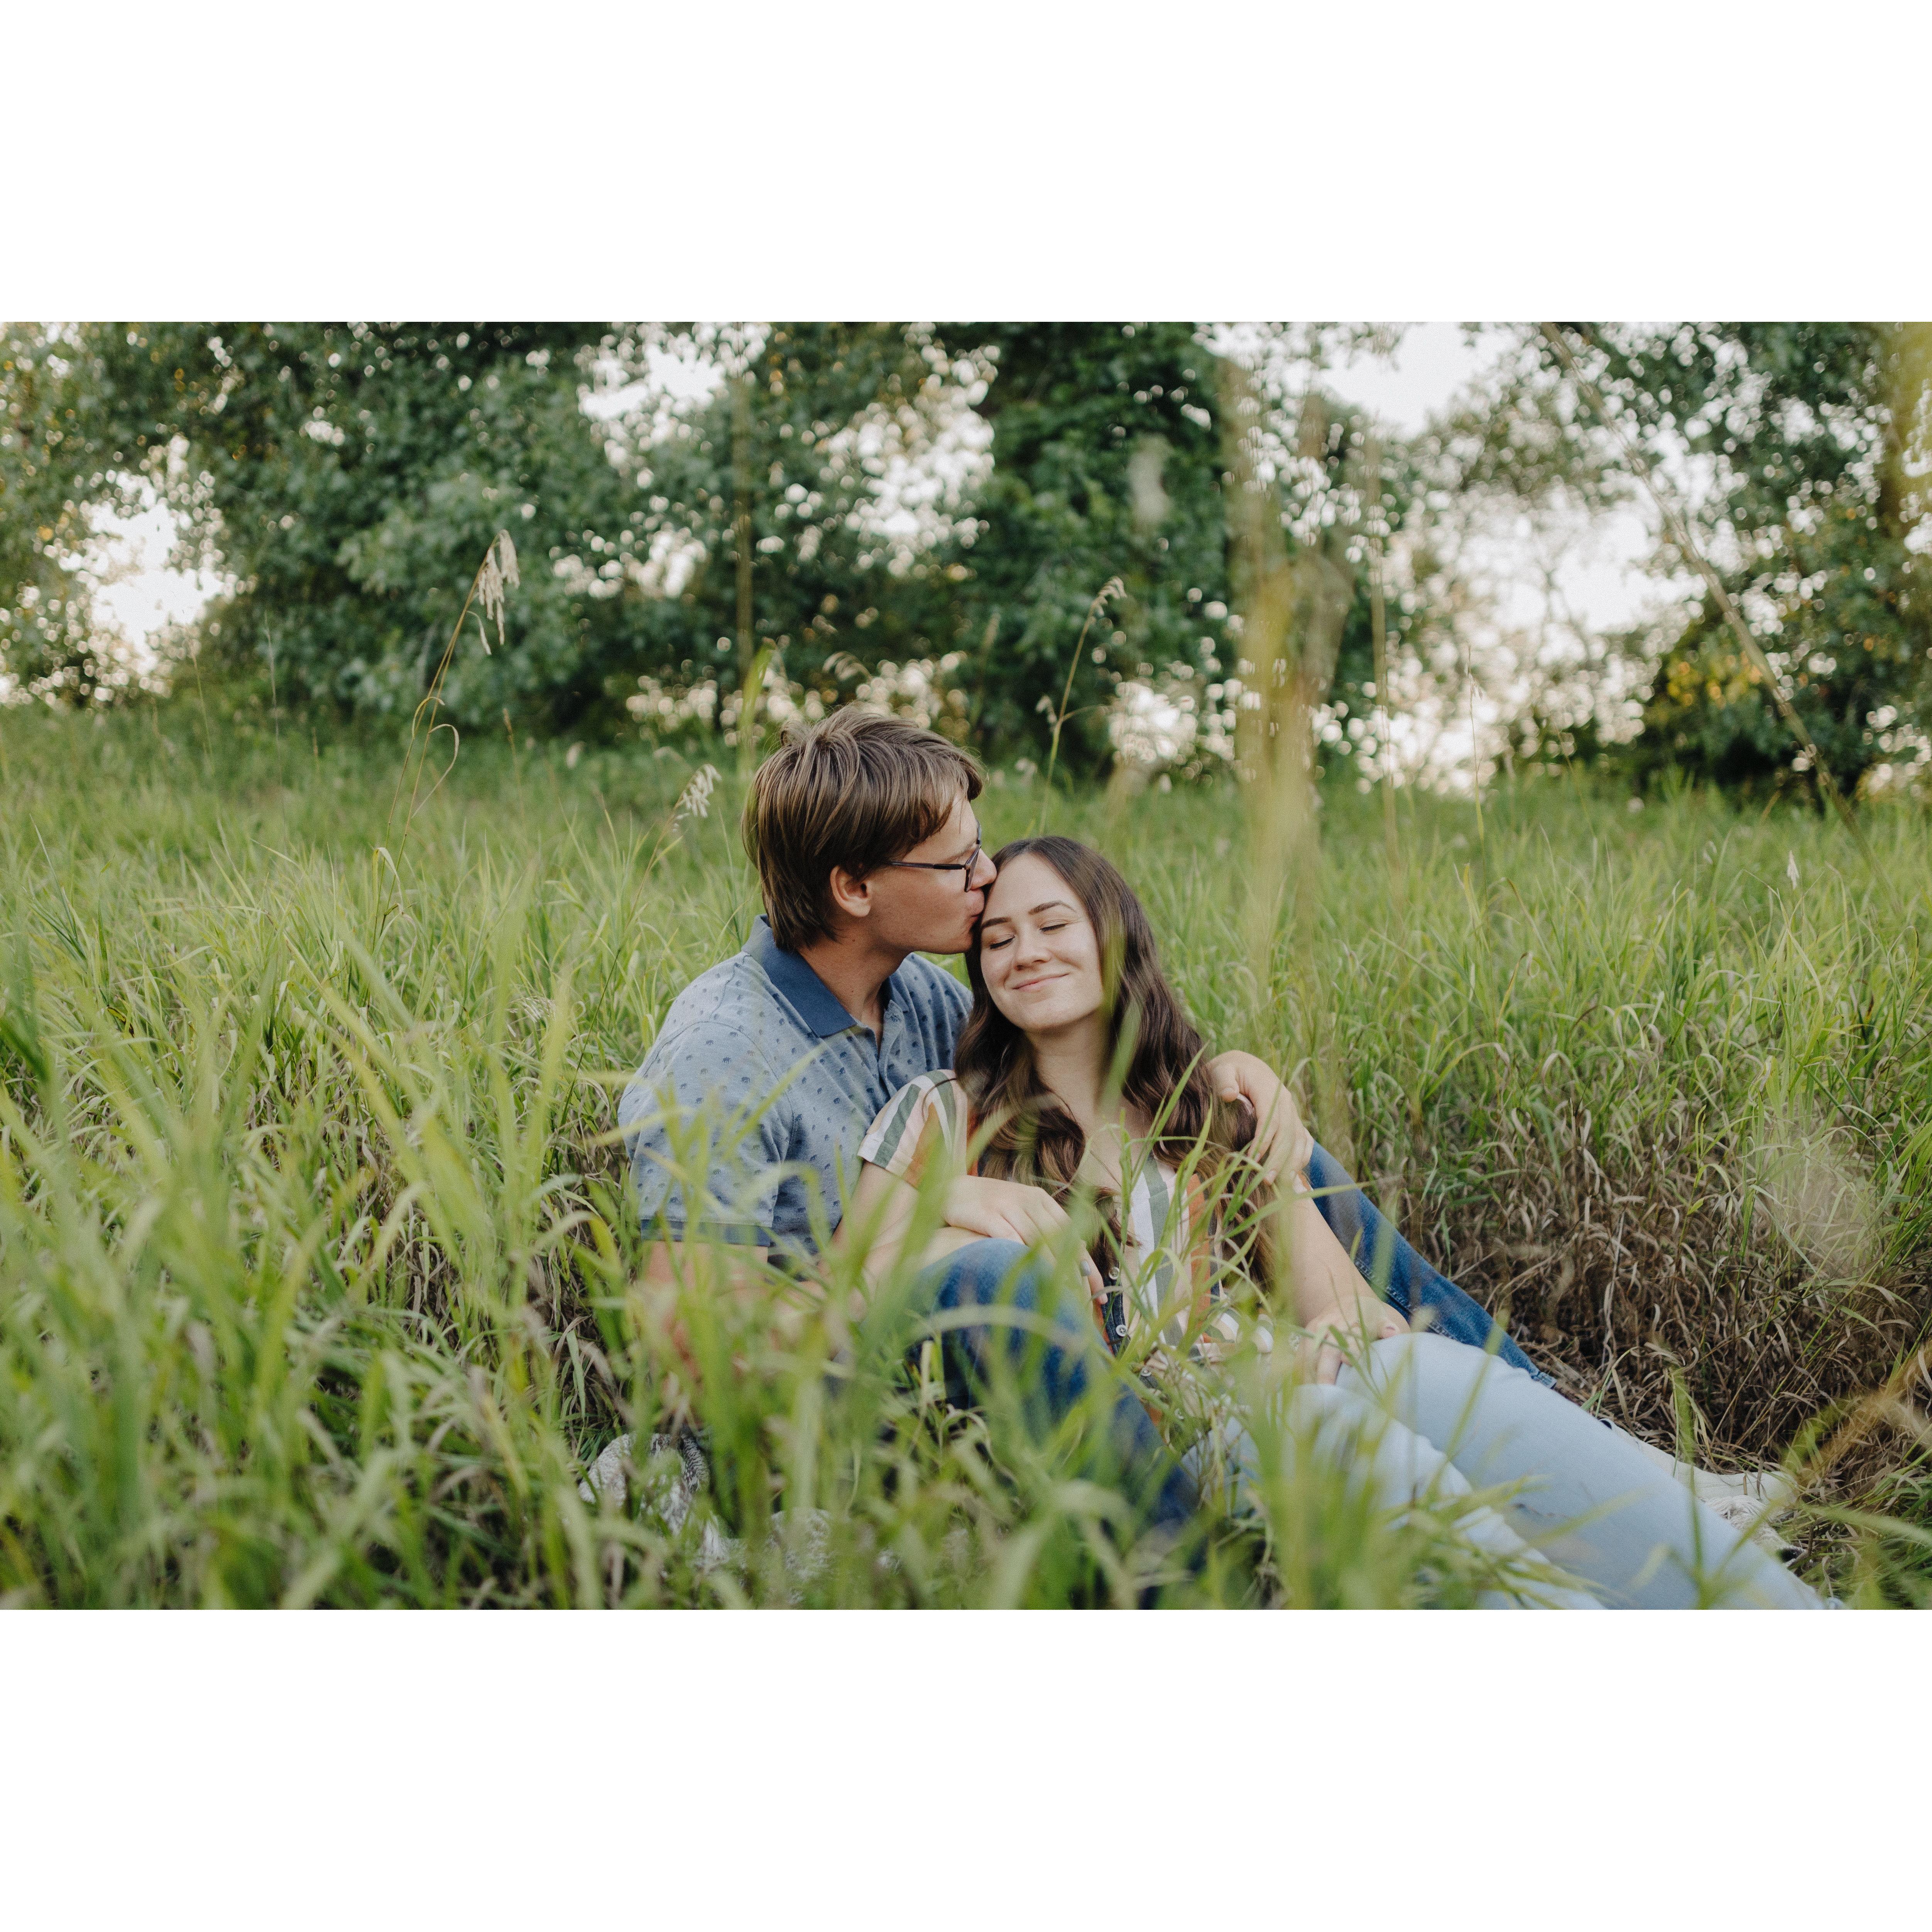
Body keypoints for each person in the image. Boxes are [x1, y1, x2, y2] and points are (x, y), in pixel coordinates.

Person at [617, 710, 1568, 1545]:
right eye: (958, 864)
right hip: (826, 1386)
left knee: (1274, 1148)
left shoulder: (919, 998)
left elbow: (1075, 1076)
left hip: (971, 1342)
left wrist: (1231, 1080)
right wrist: (931, 1224)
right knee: (999, 1275)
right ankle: (1178, 1569)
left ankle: (1548, 1427)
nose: (987, 876)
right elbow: (692, 1344)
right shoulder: (722, 1049)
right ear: (853, 888)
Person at [847, 834, 1818, 1609]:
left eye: (1053, 923)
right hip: (1173, 1439)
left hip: (1275, 1380)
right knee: (1338, 1434)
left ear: (1114, 935)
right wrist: (956, 1201)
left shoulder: (1208, 1107)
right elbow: (861, 1280)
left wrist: (1320, 1339)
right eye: (997, 939)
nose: (1025, 951)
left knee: (1427, 1369)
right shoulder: (942, 1111)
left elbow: (1348, 1307)